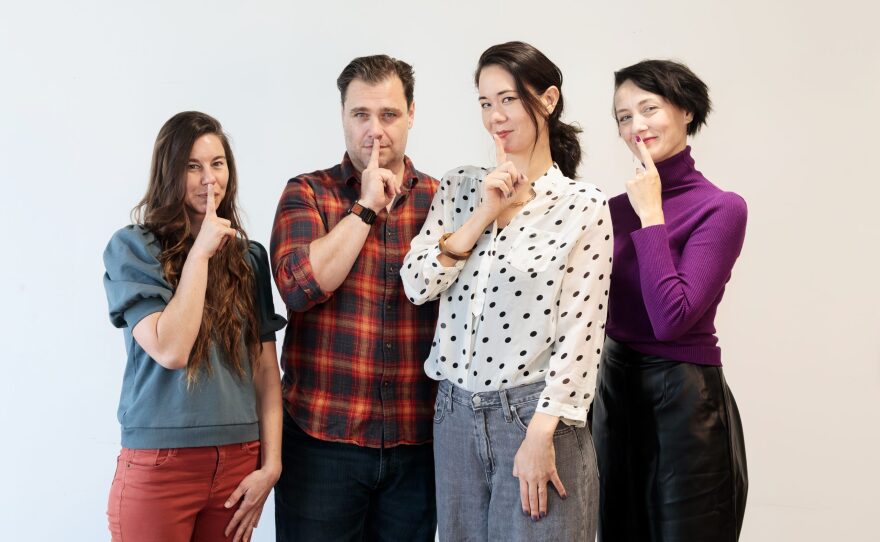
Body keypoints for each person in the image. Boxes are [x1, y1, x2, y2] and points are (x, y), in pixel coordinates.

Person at [401, 41, 612, 541]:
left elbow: (582, 334)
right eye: (484, 103)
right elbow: (416, 284)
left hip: (538, 414)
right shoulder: (458, 188)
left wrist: (541, 434)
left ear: (548, 100)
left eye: (509, 99)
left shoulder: (583, 206)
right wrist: (484, 212)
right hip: (453, 414)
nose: (495, 115)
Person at [270, 55, 440, 541]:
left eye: (388, 115)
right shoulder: (308, 193)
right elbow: (298, 288)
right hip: (322, 442)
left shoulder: (441, 199)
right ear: (343, 116)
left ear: (411, 114)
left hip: (417, 443)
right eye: (360, 115)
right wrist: (365, 208)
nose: (375, 131)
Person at [102, 111, 286, 542]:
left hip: (238, 464)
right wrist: (200, 254)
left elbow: (264, 370)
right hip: (159, 464)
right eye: (192, 166)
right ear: (170, 172)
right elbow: (171, 349)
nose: (209, 179)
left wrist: (271, 465)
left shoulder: (249, 257)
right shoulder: (132, 248)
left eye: (217, 164)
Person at [592, 59, 749, 542]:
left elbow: (671, 319)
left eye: (649, 108)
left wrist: (652, 214)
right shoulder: (610, 210)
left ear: (684, 111)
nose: (636, 125)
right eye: (623, 116)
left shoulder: (720, 208)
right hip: (615, 394)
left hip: (685, 405)